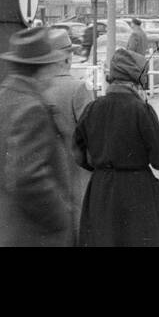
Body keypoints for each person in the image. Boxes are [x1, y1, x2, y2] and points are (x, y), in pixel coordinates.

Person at [0, 27, 76, 246]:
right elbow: (26, 177)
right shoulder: (31, 108)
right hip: (29, 235)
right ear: (43, 69)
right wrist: (60, 218)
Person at [75, 47, 159, 246]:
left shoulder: (92, 108)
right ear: (138, 80)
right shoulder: (141, 110)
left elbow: (78, 153)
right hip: (137, 191)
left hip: (101, 189)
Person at [42, 29, 96, 240]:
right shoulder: (78, 88)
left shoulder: (37, 88)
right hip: (76, 174)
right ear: (65, 57)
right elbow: (92, 134)